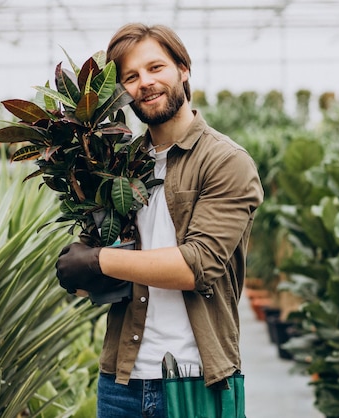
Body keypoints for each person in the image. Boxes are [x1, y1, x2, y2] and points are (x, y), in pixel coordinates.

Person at [55, 23, 264, 417]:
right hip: (121, 381)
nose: (145, 83)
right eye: (131, 77)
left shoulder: (225, 161)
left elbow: (197, 265)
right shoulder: (117, 164)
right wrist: (82, 271)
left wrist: (97, 260)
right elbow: (102, 268)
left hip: (198, 378)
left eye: (156, 68)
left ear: (183, 69)